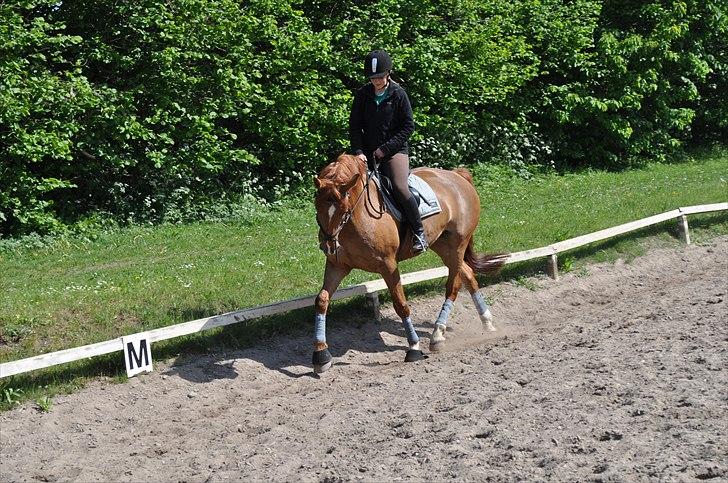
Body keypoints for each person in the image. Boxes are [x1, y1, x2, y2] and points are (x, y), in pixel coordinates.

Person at [349, 50, 428, 253]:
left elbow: (408, 127)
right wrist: (358, 151)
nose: (376, 81)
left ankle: (419, 232)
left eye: (380, 77)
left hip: (394, 151)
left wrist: (385, 149)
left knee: (400, 187)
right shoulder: (362, 95)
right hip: (366, 152)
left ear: (388, 74)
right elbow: (355, 126)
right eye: (373, 77)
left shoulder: (399, 94)